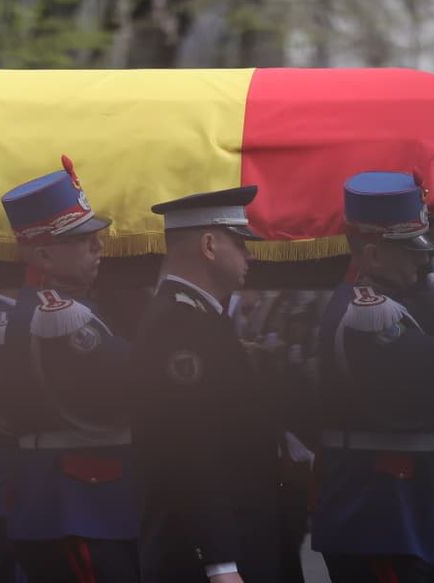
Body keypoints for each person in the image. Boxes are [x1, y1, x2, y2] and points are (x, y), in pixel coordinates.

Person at [310, 172, 434, 583]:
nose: (423, 261)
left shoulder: (387, 303)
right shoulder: (370, 314)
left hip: (399, 506)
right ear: (372, 254)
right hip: (379, 512)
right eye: (409, 250)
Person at [0, 156, 141, 582]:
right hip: (80, 506)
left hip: (75, 505)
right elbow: (142, 379)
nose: (99, 247)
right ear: (44, 253)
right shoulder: (59, 318)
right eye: (84, 240)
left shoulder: (64, 308)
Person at [133, 185, 281, 583]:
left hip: (232, 540)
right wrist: (219, 561)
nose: (249, 255)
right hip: (201, 555)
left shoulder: (201, 319)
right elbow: (189, 447)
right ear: (210, 245)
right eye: (240, 243)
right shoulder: (180, 324)